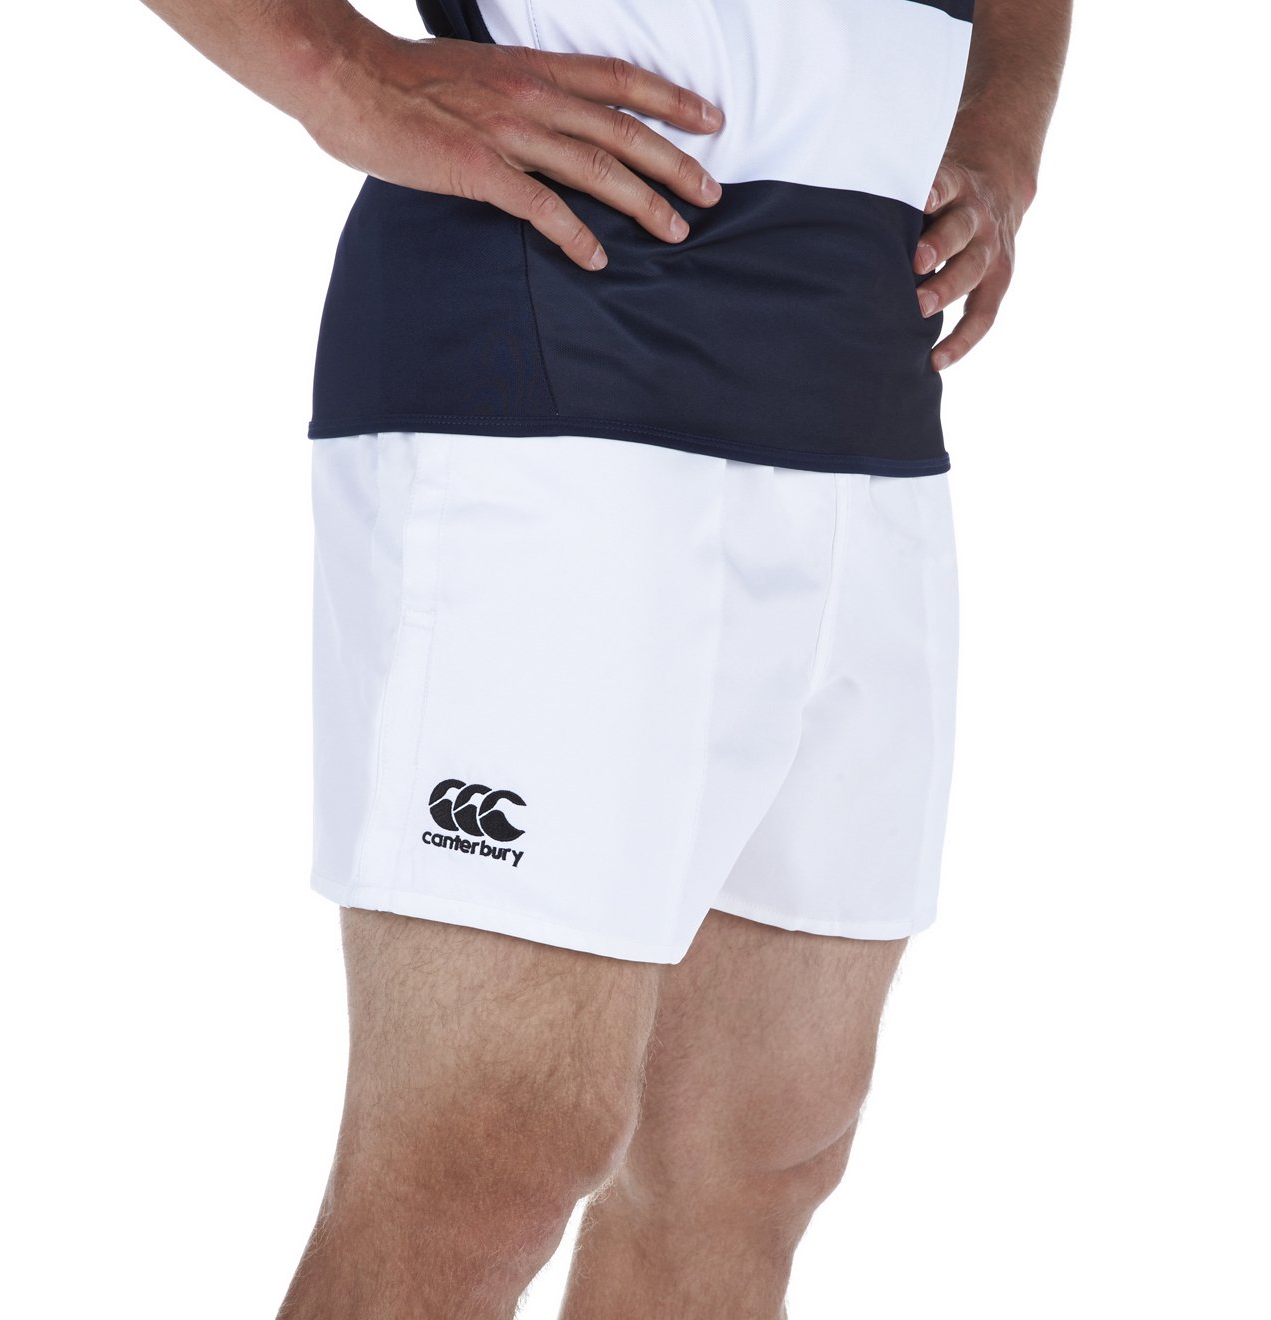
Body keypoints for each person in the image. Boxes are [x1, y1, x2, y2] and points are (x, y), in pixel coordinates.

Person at [141, 1, 1071, 1315]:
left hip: (866, 368)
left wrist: (1003, 129)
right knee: (489, 1146)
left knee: (756, 1152)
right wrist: (331, 65)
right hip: (557, 336)